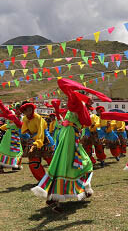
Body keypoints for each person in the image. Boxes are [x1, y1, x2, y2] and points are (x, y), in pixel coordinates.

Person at [31, 78, 111, 213]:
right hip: (70, 137)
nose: (91, 101)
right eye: (89, 99)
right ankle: (59, 199)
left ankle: (58, 195)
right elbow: (85, 121)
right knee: (71, 163)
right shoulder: (77, 104)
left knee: (67, 162)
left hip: (69, 135)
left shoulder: (77, 106)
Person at [20, 102, 54, 181]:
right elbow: (24, 130)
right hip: (34, 140)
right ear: (24, 111)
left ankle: (58, 178)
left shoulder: (38, 117)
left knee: (51, 160)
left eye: (30, 109)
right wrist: (29, 138)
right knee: (33, 162)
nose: (29, 111)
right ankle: (43, 180)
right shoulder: (25, 118)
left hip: (45, 139)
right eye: (26, 110)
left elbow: (41, 131)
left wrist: (37, 142)